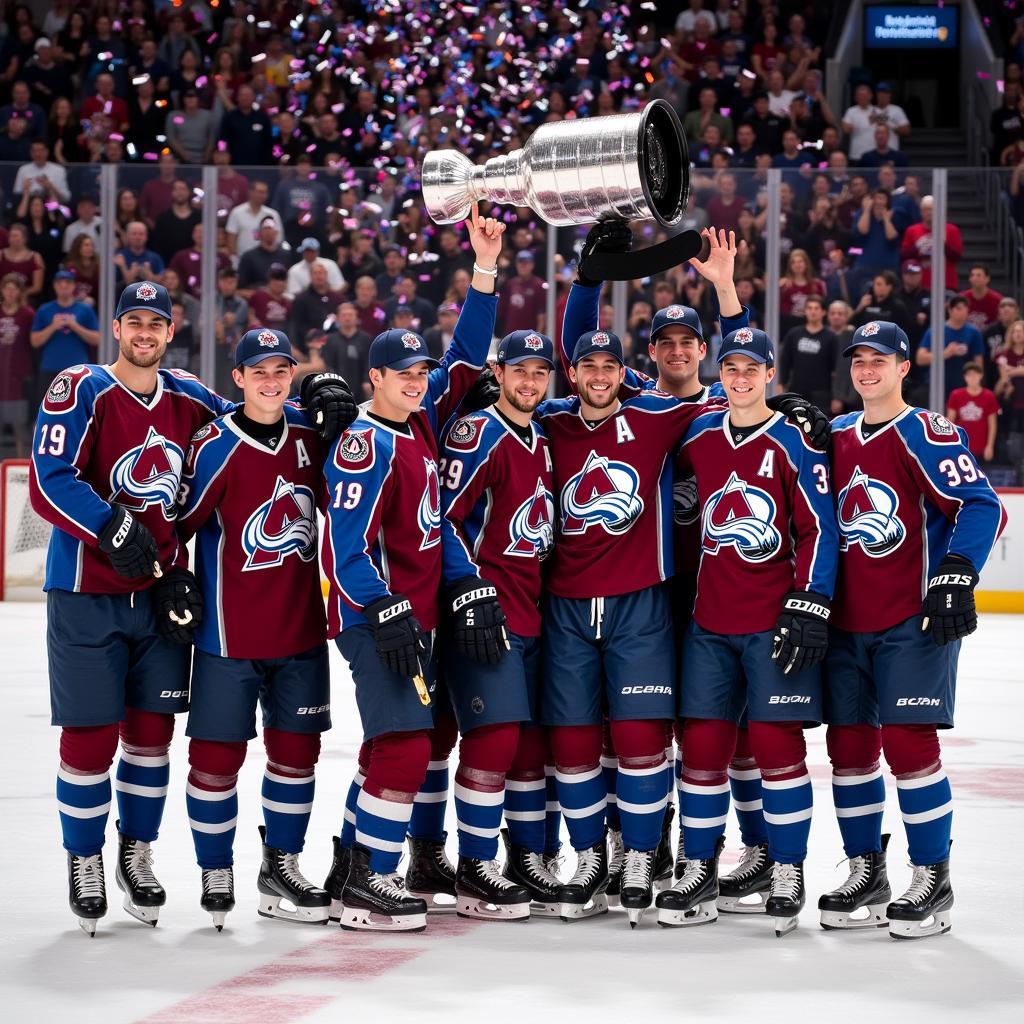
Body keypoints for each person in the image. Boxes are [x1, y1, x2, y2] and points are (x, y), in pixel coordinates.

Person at [321, 205, 502, 932]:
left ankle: (347, 865)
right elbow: (346, 542)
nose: (419, 382)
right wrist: (383, 606)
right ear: (374, 379)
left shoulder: (418, 425)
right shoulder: (365, 443)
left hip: (416, 614)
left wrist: (484, 268)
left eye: (421, 372)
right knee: (402, 745)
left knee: (397, 741)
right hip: (381, 620)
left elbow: (466, 352)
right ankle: (373, 880)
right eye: (404, 374)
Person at [820, 320, 1005, 938]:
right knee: (847, 752)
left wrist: (956, 570)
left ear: (905, 367)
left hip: (911, 620)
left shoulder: (926, 431)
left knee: (907, 746)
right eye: (860, 360)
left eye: (881, 359)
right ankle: (865, 868)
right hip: (844, 623)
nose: (867, 369)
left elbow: (982, 504)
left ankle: (932, 875)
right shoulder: (837, 433)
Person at [660, 325, 838, 937]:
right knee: (703, 752)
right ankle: (700, 867)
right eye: (730, 368)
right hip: (709, 621)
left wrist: (810, 600)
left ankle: (787, 868)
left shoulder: (793, 441)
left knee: (777, 750)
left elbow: (820, 527)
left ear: (770, 376)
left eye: (751, 369)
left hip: (772, 626)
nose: (739, 378)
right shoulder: (701, 432)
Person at [176, 329, 333, 929]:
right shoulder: (214, 444)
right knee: (216, 758)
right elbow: (177, 523)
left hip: (300, 631)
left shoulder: (310, 437)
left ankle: (281, 866)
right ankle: (216, 867)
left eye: (281, 370)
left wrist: (335, 400)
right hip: (226, 634)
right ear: (236, 379)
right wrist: (171, 575)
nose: (271, 381)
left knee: (297, 754)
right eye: (257, 371)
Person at [438, 329, 560, 919]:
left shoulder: (539, 435)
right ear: (498, 371)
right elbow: (442, 518)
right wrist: (470, 590)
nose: (530, 382)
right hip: (488, 614)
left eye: (541, 372)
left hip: (533, 608)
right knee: (494, 739)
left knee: (529, 742)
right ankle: (475, 866)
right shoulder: (479, 432)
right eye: (520, 371)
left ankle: (524, 855)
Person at [30, 270, 101, 402]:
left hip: (79, 369)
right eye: (60, 283)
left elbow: (97, 339)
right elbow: (35, 341)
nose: (63, 286)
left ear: (74, 286)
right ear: (54, 286)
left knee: (80, 408)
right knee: (49, 409)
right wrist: (52, 327)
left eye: (67, 282)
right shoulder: (44, 310)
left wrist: (75, 326)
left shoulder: (85, 309)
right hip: (50, 368)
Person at [917, 296, 986, 400]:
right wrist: (946, 353)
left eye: (965, 308)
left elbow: (978, 361)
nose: (962, 312)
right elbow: (920, 358)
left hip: (963, 384)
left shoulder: (973, 332)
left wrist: (976, 383)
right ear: (950, 310)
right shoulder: (935, 330)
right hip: (938, 383)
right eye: (958, 308)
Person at [778, 294, 839, 412]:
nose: (813, 312)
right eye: (809, 308)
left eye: (816, 308)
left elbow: (836, 370)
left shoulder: (831, 337)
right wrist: (781, 383)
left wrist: (837, 396)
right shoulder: (794, 334)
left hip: (822, 393)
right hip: (797, 390)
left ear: (823, 312)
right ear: (805, 311)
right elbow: (785, 361)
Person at [0, 273, 34, 456]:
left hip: (18, 377)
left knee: (20, 425)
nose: (10, 293)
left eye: (14, 289)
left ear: (20, 292)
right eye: (7, 288)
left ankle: (21, 466)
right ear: (2, 291)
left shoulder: (27, 314)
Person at [900, 197, 963, 292]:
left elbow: (957, 256)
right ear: (921, 212)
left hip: (946, 283)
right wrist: (918, 247)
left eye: (931, 209)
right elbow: (904, 255)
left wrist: (942, 244)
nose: (928, 212)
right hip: (920, 285)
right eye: (925, 209)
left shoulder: (952, 230)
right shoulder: (912, 230)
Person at [946, 362, 999, 464]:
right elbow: (950, 421)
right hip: (961, 446)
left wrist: (990, 446)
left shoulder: (989, 396)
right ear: (965, 377)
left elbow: (992, 424)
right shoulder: (956, 395)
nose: (972, 377)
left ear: (981, 376)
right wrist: (948, 443)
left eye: (975, 374)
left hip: (981, 447)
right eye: (969, 375)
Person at [225, 180, 283, 260]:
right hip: (242, 259)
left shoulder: (273, 214)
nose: (262, 195)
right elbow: (231, 238)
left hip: (267, 259)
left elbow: (278, 239)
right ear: (250, 192)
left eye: (265, 192)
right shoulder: (237, 212)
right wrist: (234, 259)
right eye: (259, 192)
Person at [496, 251, 547, 335]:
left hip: (530, 336)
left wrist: (538, 336)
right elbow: (503, 311)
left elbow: (542, 314)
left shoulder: (539, 285)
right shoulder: (510, 284)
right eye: (520, 263)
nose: (523, 266)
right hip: (511, 335)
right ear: (516, 264)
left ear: (532, 265)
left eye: (526, 263)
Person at [842, 84, 880, 162]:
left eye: (865, 95)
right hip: (856, 154)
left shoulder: (877, 111)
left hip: (874, 153)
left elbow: (884, 128)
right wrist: (849, 127)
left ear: (870, 96)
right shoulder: (851, 111)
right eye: (860, 95)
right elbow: (845, 129)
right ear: (856, 97)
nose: (863, 97)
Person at [960, 264, 1003, 332]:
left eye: (979, 275)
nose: (975, 278)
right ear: (969, 279)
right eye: (972, 275)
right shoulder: (961, 298)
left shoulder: (997, 300)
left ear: (987, 279)